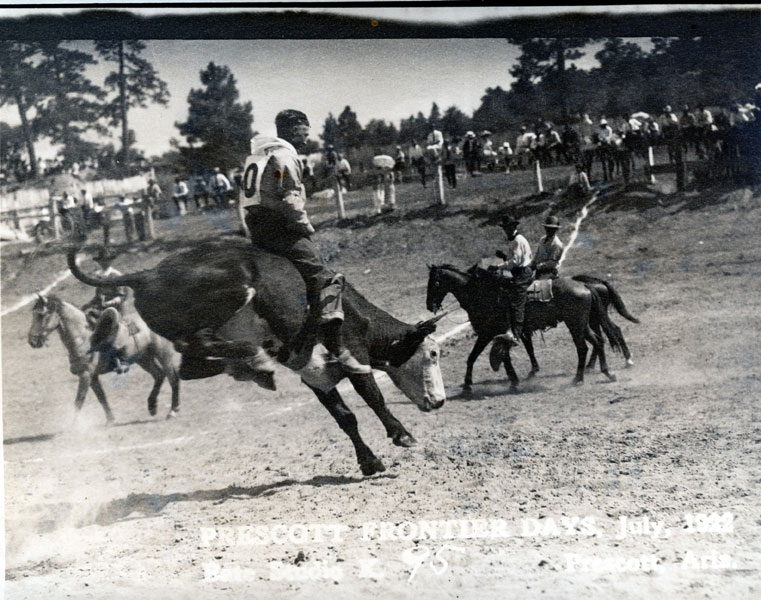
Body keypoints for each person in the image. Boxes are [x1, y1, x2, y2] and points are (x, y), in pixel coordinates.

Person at [243, 109, 370, 374]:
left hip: (256, 227)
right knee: (327, 279)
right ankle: (338, 351)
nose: (308, 132)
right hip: (278, 228)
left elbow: (271, 188)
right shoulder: (285, 155)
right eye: (305, 126)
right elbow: (290, 199)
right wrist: (306, 228)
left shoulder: (259, 154)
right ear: (293, 128)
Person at [81, 247, 130, 372]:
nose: (103, 263)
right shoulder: (99, 276)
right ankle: (94, 353)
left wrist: (110, 302)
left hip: (115, 308)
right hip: (102, 308)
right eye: (101, 261)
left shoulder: (116, 275)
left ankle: (121, 358)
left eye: (106, 260)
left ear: (110, 261)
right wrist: (88, 304)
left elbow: (122, 295)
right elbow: (98, 296)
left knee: (113, 328)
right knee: (88, 319)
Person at [489, 214, 533, 344]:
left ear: (514, 227)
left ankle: (516, 334)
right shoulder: (513, 241)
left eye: (508, 228)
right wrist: (503, 256)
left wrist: (497, 266)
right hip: (518, 272)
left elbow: (515, 261)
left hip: (522, 273)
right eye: (505, 228)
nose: (506, 230)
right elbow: (513, 259)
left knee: (516, 302)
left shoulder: (518, 240)